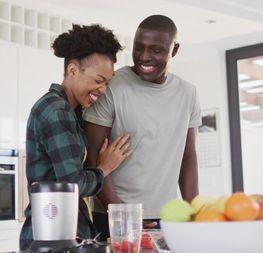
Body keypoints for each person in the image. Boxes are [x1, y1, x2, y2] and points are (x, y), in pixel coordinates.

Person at [83, 14, 202, 237]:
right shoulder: (112, 86)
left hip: (168, 218)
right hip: (113, 216)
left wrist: (194, 213)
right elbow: (92, 159)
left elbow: (188, 157)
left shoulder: (188, 93)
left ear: (174, 50)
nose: (144, 57)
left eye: (156, 50)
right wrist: (124, 216)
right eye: (138, 48)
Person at [19, 24, 132, 250]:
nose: (102, 90)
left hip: (64, 231)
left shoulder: (72, 111)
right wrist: (104, 167)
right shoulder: (56, 111)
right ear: (72, 70)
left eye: (107, 83)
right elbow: (73, 184)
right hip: (51, 235)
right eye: (99, 80)